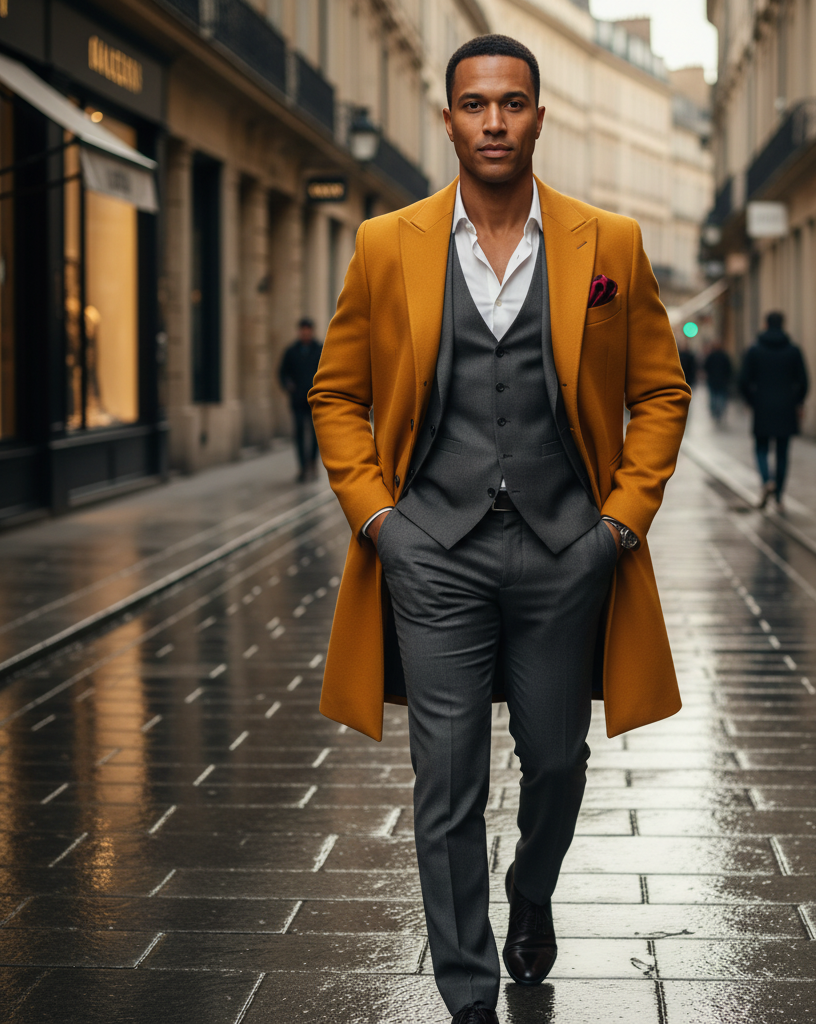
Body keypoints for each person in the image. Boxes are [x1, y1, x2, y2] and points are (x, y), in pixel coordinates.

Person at [309, 35, 690, 1024]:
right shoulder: (387, 244)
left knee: (558, 760)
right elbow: (336, 395)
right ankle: (469, 995)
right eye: (474, 104)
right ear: (447, 120)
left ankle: (530, 890)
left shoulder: (607, 244)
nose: (492, 121)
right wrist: (380, 521)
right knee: (447, 779)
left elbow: (658, 389)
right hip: (432, 549)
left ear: (536, 118)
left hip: (568, 550)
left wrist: (619, 525)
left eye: (511, 103)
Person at [738, 311, 809, 511]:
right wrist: (797, 401)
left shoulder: (755, 350)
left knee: (761, 448)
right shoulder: (793, 350)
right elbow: (804, 382)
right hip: (786, 408)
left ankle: (767, 480)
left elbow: (743, 381)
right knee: (782, 452)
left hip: (762, 407)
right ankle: (778, 497)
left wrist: (752, 401)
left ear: (766, 324)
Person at [278, 318, 323, 481]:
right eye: (302, 330)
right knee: (298, 433)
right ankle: (303, 467)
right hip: (297, 399)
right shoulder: (291, 351)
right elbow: (283, 373)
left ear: (311, 331)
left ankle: (312, 462)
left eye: (307, 329)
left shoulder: (320, 350)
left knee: (315, 434)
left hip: (315, 400)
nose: (305, 332)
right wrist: (288, 385)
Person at [703, 340, 733, 424]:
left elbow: (705, 366)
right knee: (720, 397)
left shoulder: (711, 356)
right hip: (721, 381)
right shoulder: (724, 356)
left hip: (713, 380)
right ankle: (719, 411)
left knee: (714, 396)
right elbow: (729, 369)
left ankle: (715, 411)